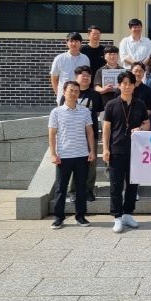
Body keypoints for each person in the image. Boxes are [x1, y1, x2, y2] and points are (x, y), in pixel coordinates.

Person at [102, 70, 150, 233]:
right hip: (116, 150)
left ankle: (128, 214)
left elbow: (147, 124)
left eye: (130, 83)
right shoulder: (111, 104)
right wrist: (105, 149)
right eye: (124, 83)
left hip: (135, 151)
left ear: (134, 85)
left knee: (132, 184)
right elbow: (106, 128)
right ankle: (117, 217)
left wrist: (140, 128)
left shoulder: (140, 104)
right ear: (119, 85)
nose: (127, 86)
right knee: (116, 186)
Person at [48, 81, 96, 229]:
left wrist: (92, 151)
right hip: (64, 156)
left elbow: (90, 132)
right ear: (64, 92)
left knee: (81, 188)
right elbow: (52, 134)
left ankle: (80, 216)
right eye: (71, 90)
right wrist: (53, 154)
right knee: (61, 188)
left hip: (82, 155)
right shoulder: (56, 112)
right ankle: (58, 217)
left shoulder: (85, 111)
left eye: (76, 91)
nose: (74, 93)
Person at [59, 65, 103, 203]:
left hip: (90, 134)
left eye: (88, 76)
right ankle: (73, 191)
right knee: (73, 163)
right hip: (72, 136)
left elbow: (97, 113)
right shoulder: (67, 95)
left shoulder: (95, 95)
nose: (86, 78)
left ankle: (88, 190)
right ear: (76, 76)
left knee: (91, 164)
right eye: (83, 75)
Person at [50, 31, 90, 102]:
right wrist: (58, 93)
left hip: (81, 96)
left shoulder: (85, 59)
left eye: (76, 41)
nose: (74, 44)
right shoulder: (60, 58)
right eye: (71, 41)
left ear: (80, 43)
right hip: (64, 96)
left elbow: (87, 77)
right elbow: (54, 78)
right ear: (67, 43)